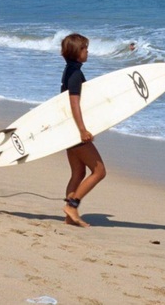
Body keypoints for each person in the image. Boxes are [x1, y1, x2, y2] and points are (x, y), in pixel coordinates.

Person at [60, 33, 105, 227]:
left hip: (67, 129)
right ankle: (72, 205)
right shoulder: (75, 74)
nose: (88, 52)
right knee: (99, 171)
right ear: (77, 52)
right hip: (75, 131)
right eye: (85, 48)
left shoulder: (69, 70)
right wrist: (82, 130)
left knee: (78, 173)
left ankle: (70, 217)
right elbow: (74, 103)